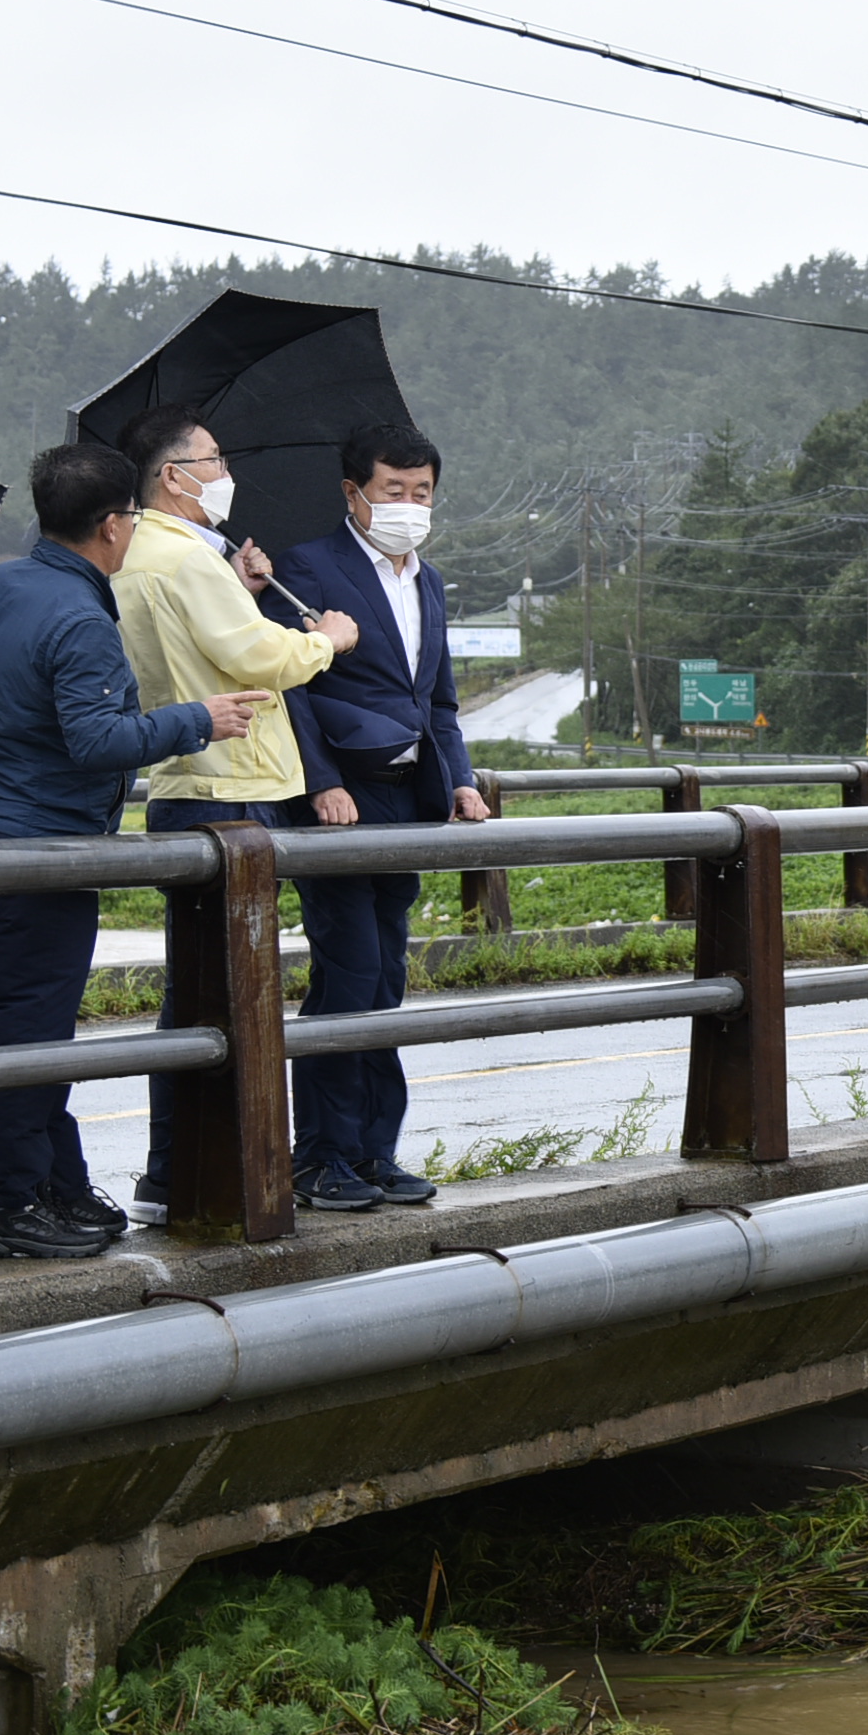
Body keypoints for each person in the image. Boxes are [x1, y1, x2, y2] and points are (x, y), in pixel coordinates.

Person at [0, 443, 267, 1260]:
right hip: (42, 849)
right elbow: (96, 741)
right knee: (33, 1036)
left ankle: (59, 1182)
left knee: (31, 1023)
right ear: (114, 525)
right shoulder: (83, 618)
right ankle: (12, 1204)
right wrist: (198, 719)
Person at [108, 403, 360, 1224]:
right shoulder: (187, 560)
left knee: (200, 993)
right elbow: (253, 656)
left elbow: (197, 645)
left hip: (187, 781)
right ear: (173, 477)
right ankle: (202, 1173)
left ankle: (183, 1168)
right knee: (227, 992)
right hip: (230, 784)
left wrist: (239, 587)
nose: (225, 473)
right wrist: (326, 639)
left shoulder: (146, 553)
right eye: (212, 460)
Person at [266, 421, 492, 1213]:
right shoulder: (306, 569)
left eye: (421, 492)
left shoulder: (428, 581)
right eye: (393, 490)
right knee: (350, 971)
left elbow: (439, 701)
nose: (408, 505)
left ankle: (373, 1150)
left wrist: (460, 781)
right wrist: (320, 783)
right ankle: (320, 1156)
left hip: (408, 797)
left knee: (387, 976)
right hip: (339, 801)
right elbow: (290, 688)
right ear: (353, 492)